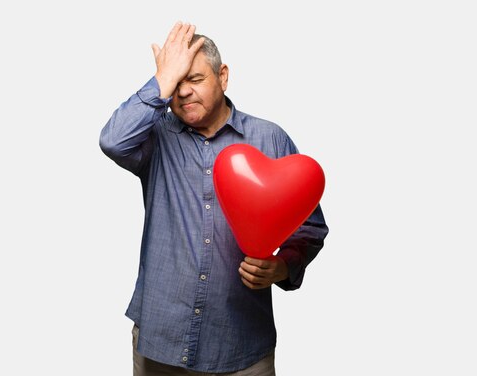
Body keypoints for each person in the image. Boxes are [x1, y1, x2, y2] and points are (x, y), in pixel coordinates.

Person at [99, 22, 329, 375]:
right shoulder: (155, 136)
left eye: (195, 79)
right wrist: (161, 81)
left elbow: (310, 229)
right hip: (162, 341)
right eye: (177, 84)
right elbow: (113, 140)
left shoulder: (270, 139)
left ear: (223, 76)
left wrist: (283, 266)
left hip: (240, 346)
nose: (184, 92)